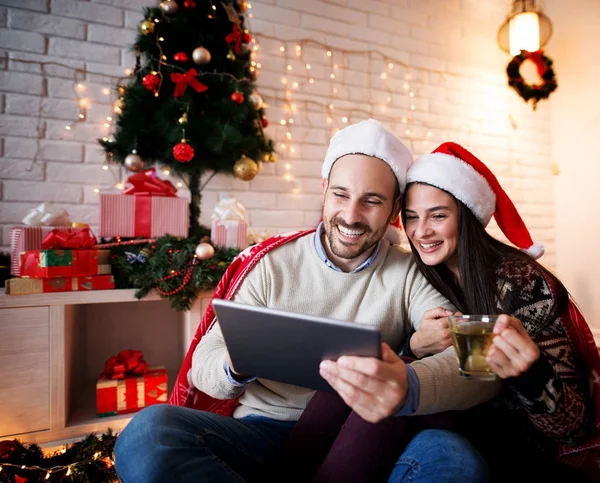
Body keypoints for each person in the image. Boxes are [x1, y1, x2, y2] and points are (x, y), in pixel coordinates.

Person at [113, 121, 498, 483]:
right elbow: (202, 367)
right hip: (262, 433)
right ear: (324, 190)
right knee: (147, 434)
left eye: (372, 201)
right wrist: (235, 361)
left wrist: (409, 382)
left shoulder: (409, 271)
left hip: (366, 438)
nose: (351, 215)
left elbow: (476, 365)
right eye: (341, 195)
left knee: (453, 458)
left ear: (395, 208)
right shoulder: (270, 264)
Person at [309, 141, 600, 482]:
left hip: (523, 448)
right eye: (412, 218)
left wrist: (529, 372)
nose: (422, 231)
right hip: (457, 419)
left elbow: (574, 429)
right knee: (358, 377)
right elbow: (420, 363)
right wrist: (415, 348)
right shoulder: (420, 272)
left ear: (467, 216)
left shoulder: (520, 283)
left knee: (392, 388)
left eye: (439, 216)